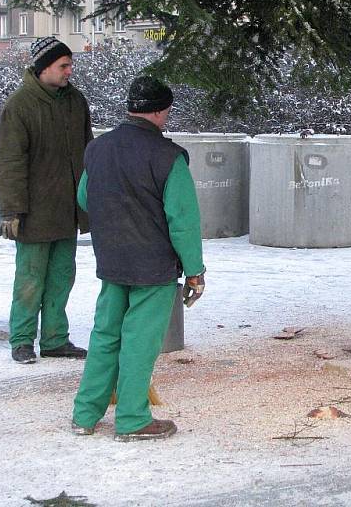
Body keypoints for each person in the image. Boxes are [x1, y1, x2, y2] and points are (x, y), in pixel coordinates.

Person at [71, 76, 205, 442]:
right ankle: (131, 419)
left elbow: (85, 197)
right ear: (162, 111)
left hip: (112, 260)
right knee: (139, 341)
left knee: (105, 335)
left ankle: (85, 414)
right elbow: (183, 221)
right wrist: (195, 271)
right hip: (153, 266)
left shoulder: (98, 148)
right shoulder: (168, 157)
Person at [0, 36, 92, 364]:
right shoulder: (20, 105)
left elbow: (88, 152)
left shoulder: (75, 101)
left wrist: (91, 201)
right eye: (64, 65)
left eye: (70, 64)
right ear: (43, 67)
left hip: (68, 211)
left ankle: (54, 339)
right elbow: (8, 162)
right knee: (30, 280)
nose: (69, 71)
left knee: (62, 276)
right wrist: (10, 211)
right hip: (33, 213)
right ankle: (22, 340)